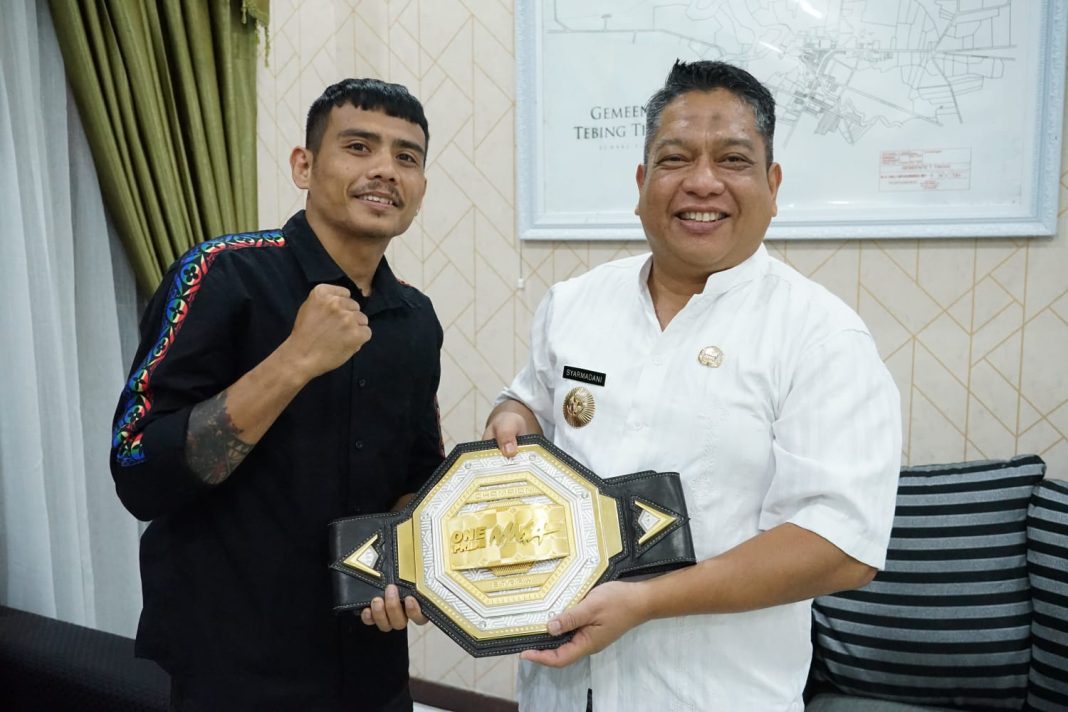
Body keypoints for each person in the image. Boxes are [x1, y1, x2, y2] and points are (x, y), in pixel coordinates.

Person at [484, 60, 902, 711]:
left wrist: (647, 601)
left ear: (772, 183)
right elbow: (527, 404)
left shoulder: (821, 336)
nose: (702, 182)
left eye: (733, 160)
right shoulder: (573, 304)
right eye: (675, 159)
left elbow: (840, 546)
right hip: (558, 688)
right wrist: (509, 421)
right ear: (642, 181)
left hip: (715, 693)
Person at [110, 78, 442, 711]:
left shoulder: (416, 318)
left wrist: (417, 559)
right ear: (304, 165)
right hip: (235, 670)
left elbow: (418, 476)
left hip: (372, 667)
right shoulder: (221, 272)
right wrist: (293, 360)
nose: (385, 170)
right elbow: (138, 472)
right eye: (358, 146)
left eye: (407, 157)